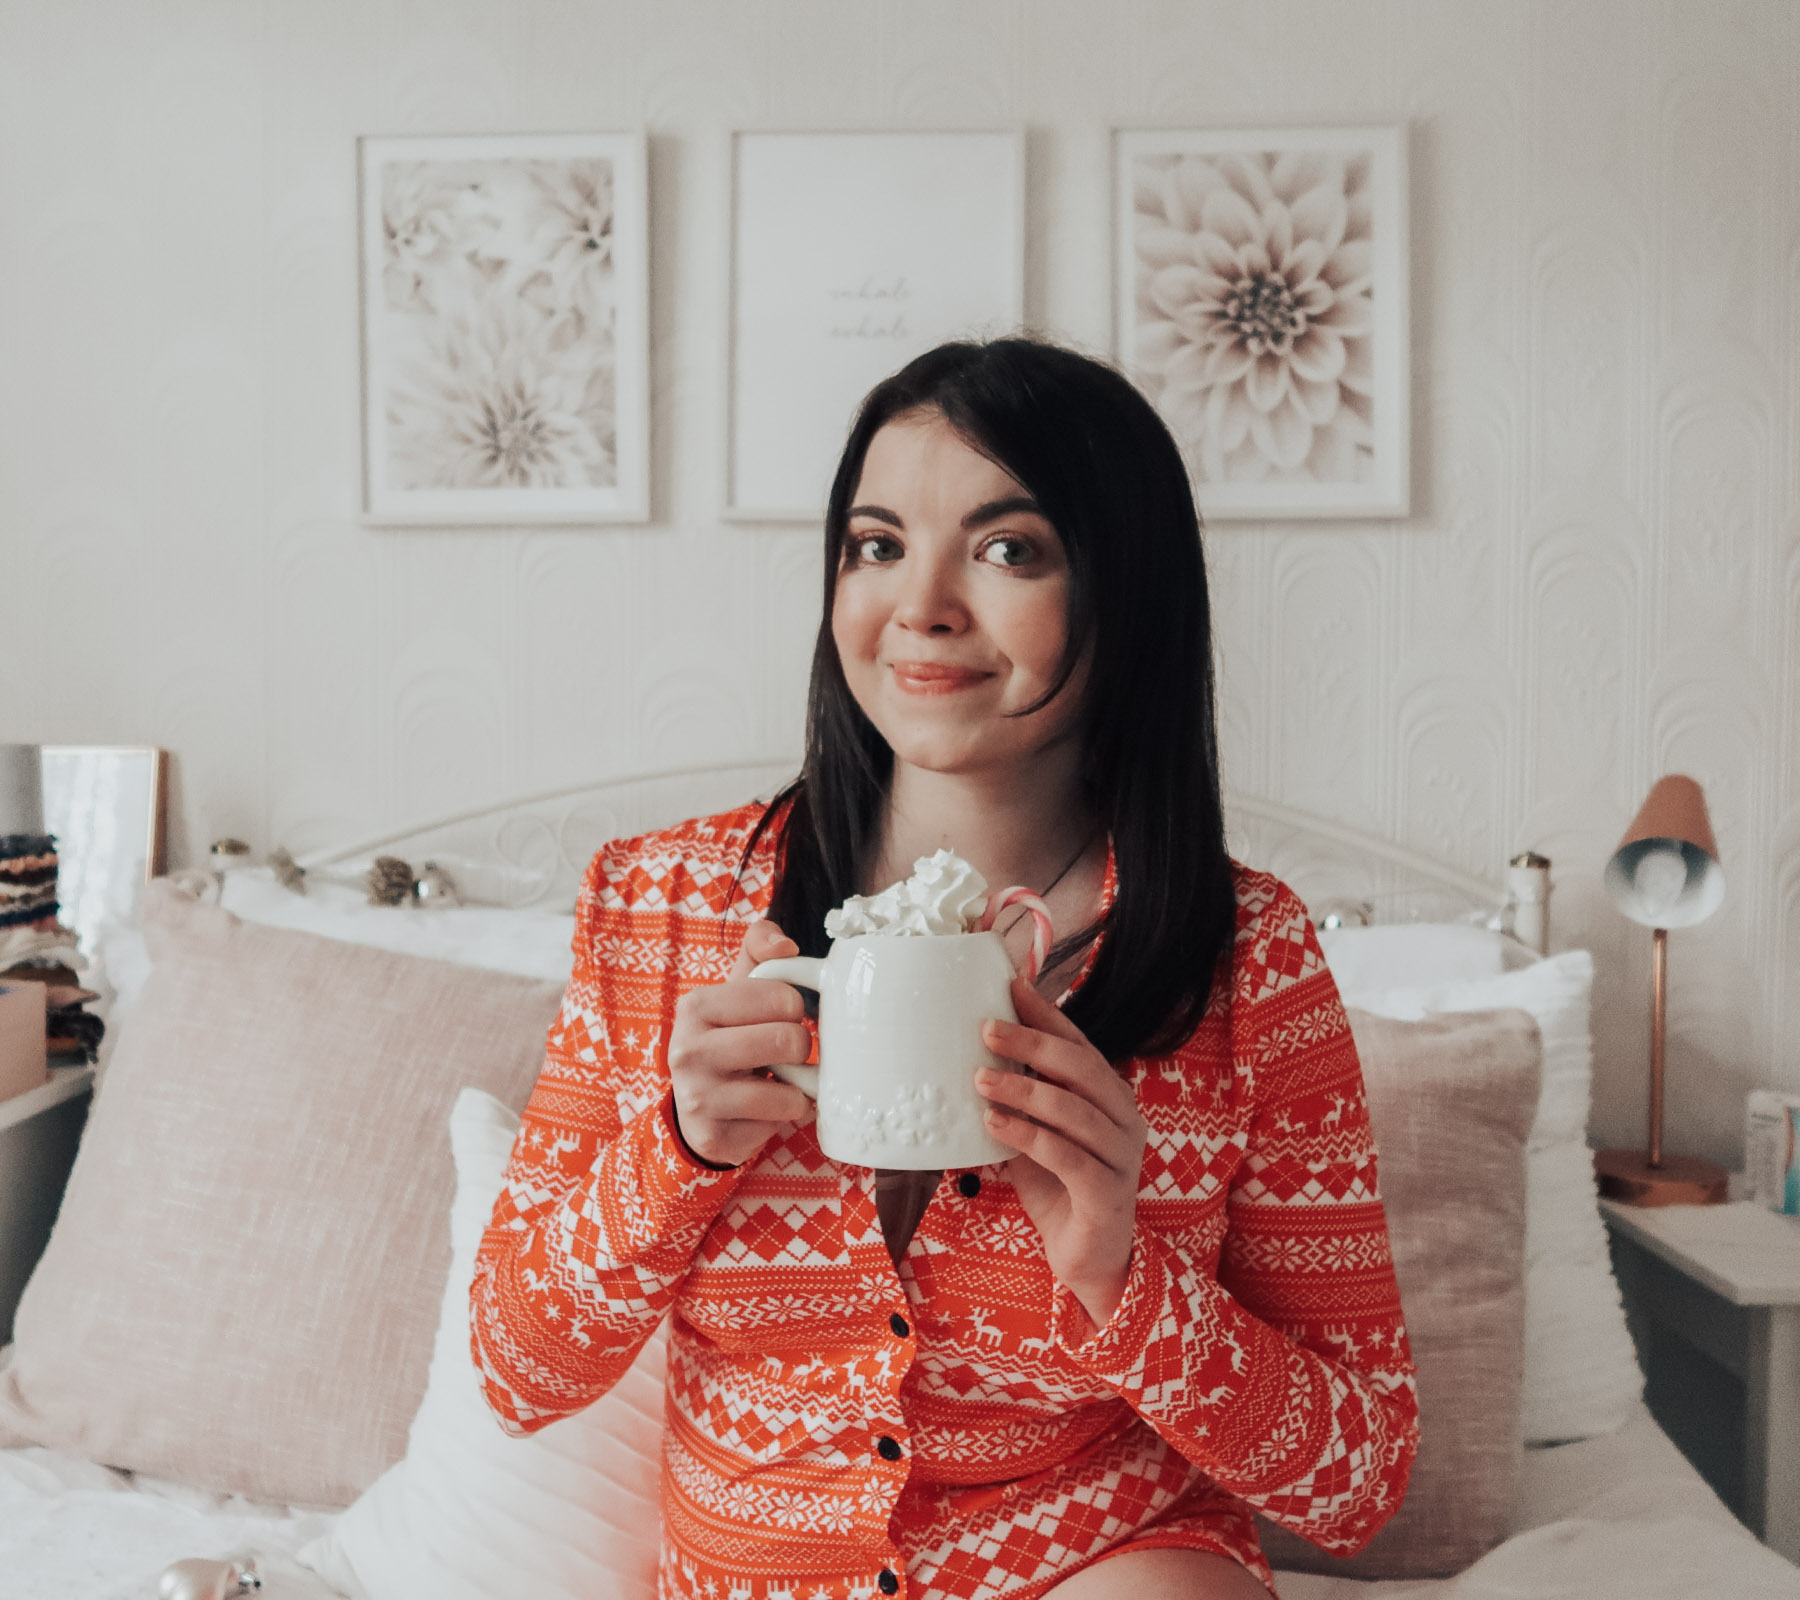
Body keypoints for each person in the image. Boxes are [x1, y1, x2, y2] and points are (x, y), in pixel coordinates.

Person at [470, 337, 1419, 1600]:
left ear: (1121, 588)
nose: (920, 605)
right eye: (876, 545)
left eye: (1008, 547)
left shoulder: (1252, 962)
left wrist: (1122, 1276)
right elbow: (516, 1370)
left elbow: (1357, 1482)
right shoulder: (662, 908)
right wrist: (676, 1155)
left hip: (1101, 1562)